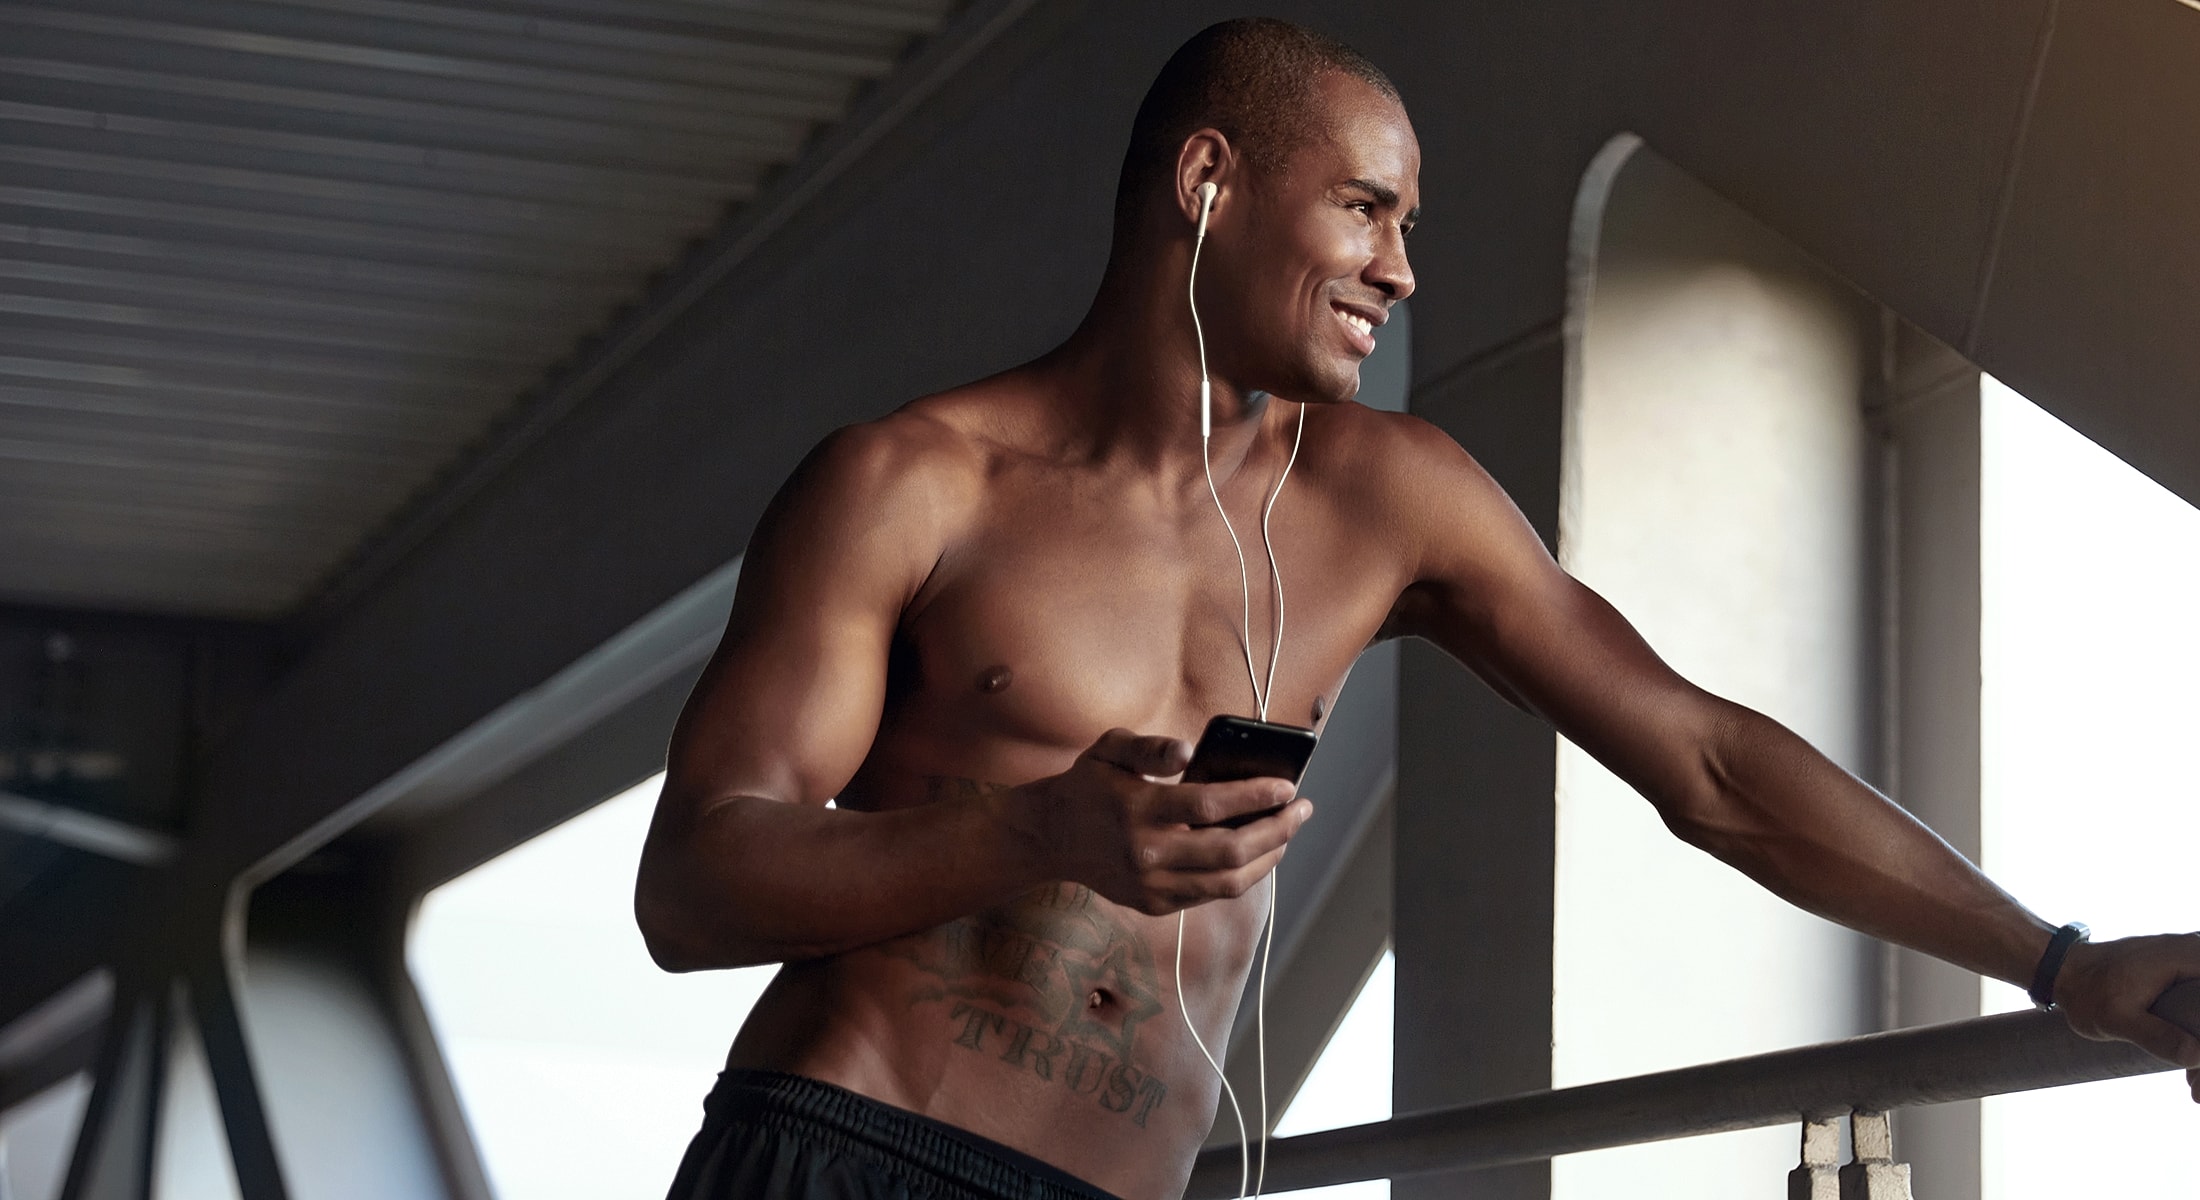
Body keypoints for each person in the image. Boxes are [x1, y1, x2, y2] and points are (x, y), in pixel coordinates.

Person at [634, 17, 2200, 1200]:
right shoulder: (915, 484)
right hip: (841, 1151)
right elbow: (695, 885)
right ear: (1207, 181)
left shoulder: (1392, 497)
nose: (1400, 270)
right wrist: (1034, 833)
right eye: (1367, 212)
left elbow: (1707, 765)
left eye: (1411, 230)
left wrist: (2058, 963)